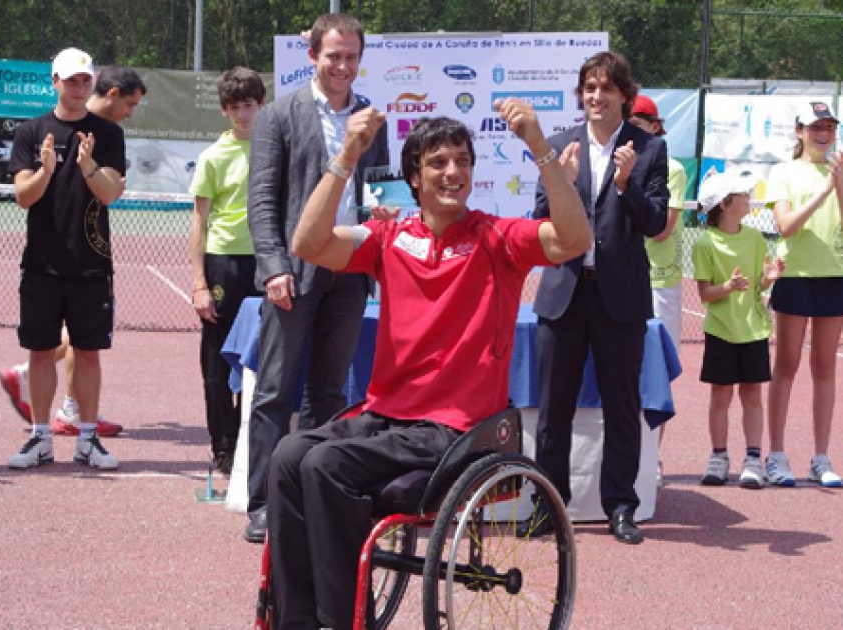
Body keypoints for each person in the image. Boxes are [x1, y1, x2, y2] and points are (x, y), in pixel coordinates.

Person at [269, 99, 590, 630]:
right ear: (414, 177)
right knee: (287, 455)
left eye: (462, 161)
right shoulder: (390, 239)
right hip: (386, 415)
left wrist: (539, 145)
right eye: (438, 162)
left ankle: (347, 621)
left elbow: (574, 239)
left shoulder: (496, 239)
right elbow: (308, 243)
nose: (453, 172)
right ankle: (297, 621)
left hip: (455, 427)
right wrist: (347, 152)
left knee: (325, 466)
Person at [244, 13, 389, 543]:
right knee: (276, 391)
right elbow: (261, 201)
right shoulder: (279, 116)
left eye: (351, 56)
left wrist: (382, 219)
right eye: (333, 55)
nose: (342, 65)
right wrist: (274, 267)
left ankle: (313, 494)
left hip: (350, 272)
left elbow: (378, 194)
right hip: (295, 274)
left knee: (329, 392)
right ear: (312, 56)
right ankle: (262, 503)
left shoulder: (375, 120)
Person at [532, 51, 669, 545]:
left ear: (624, 97)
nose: (596, 96)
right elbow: (540, 216)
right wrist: (563, 185)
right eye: (589, 87)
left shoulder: (649, 149)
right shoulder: (559, 145)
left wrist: (627, 185)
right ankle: (549, 506)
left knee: (621, 405)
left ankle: (621, 506)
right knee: (553, 410)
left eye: (606, 88)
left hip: (621, 299)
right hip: (564, 294)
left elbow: (655, 223)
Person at [0, 66, 146, 438]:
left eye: (84, 81)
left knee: (84, 343)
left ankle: (72, 411)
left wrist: (95, 169)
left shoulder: (108, 136)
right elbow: (25, 195)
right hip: (47, 261)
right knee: (63, 341)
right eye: (130, 104)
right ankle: (43, 397)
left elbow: (111, 191)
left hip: (90, 263)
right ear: (111, 94)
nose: (131, 112)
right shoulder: (42, 130)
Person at [188, 67, 265, 475]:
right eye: (234, 108)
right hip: (224, 264)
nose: (242, 115)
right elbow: (199, 221)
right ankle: (224, 446)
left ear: (261, 105)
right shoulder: (213, 157)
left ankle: (259, 444)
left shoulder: (274, 150)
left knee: (266, 358)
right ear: (224, 111)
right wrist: (200, 282)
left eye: (249, 106)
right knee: (217, 365)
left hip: (267, 264)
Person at [766, 101, 843, 488]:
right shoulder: (784, 174)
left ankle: (822, 457)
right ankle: (777, 455)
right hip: (795, 276)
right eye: (815, 127)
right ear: (800, 131)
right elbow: (785, 226)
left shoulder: (840, 170)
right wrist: (825, 191)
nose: (823, 133)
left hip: (835, 276)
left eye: (829, 125)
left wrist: (839, 186)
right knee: (788, 364)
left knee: (826, 367)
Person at [692, 170, 784, 488]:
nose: (749, 198)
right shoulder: (705, 243)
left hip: (753, 330)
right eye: (743, 195)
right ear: (727, 203)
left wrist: (769, 278)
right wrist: (729, 287)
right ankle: (718, 457)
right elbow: (705, 295)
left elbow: (758, 285)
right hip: (720, 330)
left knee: (752, 394)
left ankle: (753, 459)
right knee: (721, 395)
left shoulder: (756, 239)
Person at [628, 93, 688, 487]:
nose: (634, 126)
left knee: (656, 372)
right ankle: (625, 454)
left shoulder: (674, 167)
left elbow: (661, 227)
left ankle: (654, 458)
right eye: (628, 119)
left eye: (641, 120)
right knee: (621, 371)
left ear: (655, 125)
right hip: (623, 278)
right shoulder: (612, 162)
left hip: (660, 283)